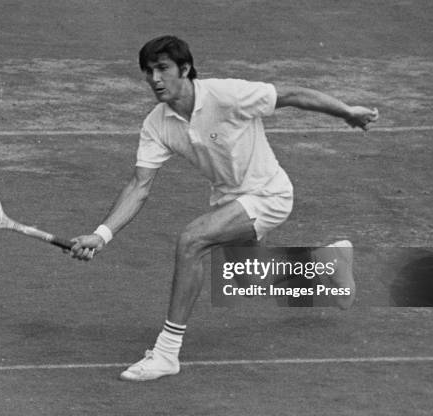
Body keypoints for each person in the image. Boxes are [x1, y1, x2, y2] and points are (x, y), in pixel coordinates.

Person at [68, 35, 379, 381]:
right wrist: (102, 235)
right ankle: (328, 271)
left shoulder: (226, 95)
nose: (154, 79)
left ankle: (167, 353)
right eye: (148, 72)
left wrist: (347, 112)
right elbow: (139, 186)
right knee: (244, 277)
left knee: (191, 241)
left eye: (162, 69)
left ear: (184, 69)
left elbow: (290, 94)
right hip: (229, 200)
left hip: (268, 194)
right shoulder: (156, 124)